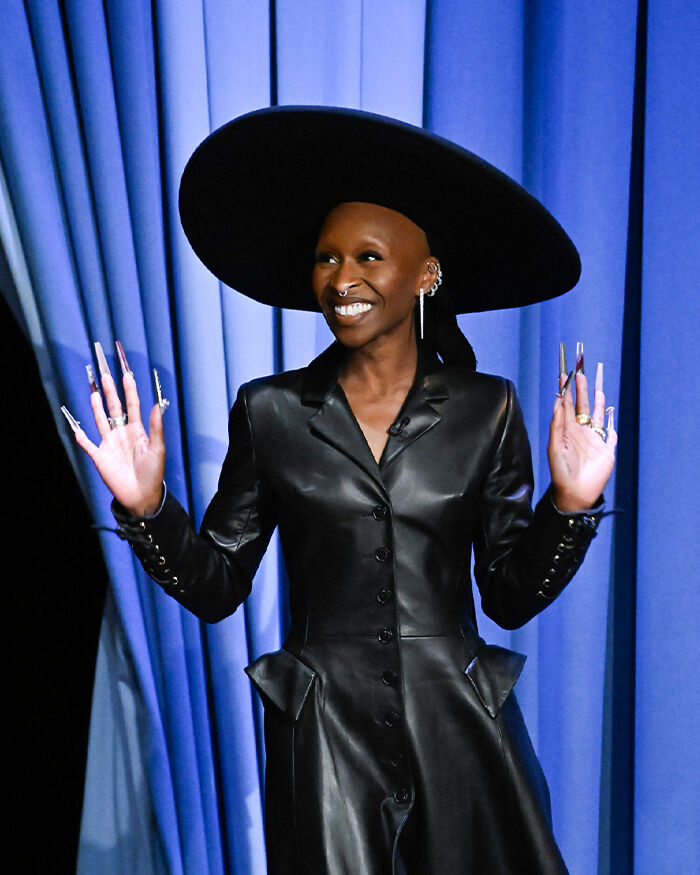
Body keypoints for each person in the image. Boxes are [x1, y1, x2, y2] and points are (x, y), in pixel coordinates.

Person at [63, 107, 617, 874]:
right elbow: (220, 582)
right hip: (325, 734)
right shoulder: (273, 410)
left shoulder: (486, 407)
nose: (342, 278)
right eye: (326, 258)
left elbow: (509, 595)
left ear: (425, 273)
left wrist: (570, 505)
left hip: (460, 727)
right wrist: (147, 505)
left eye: (367, 256)